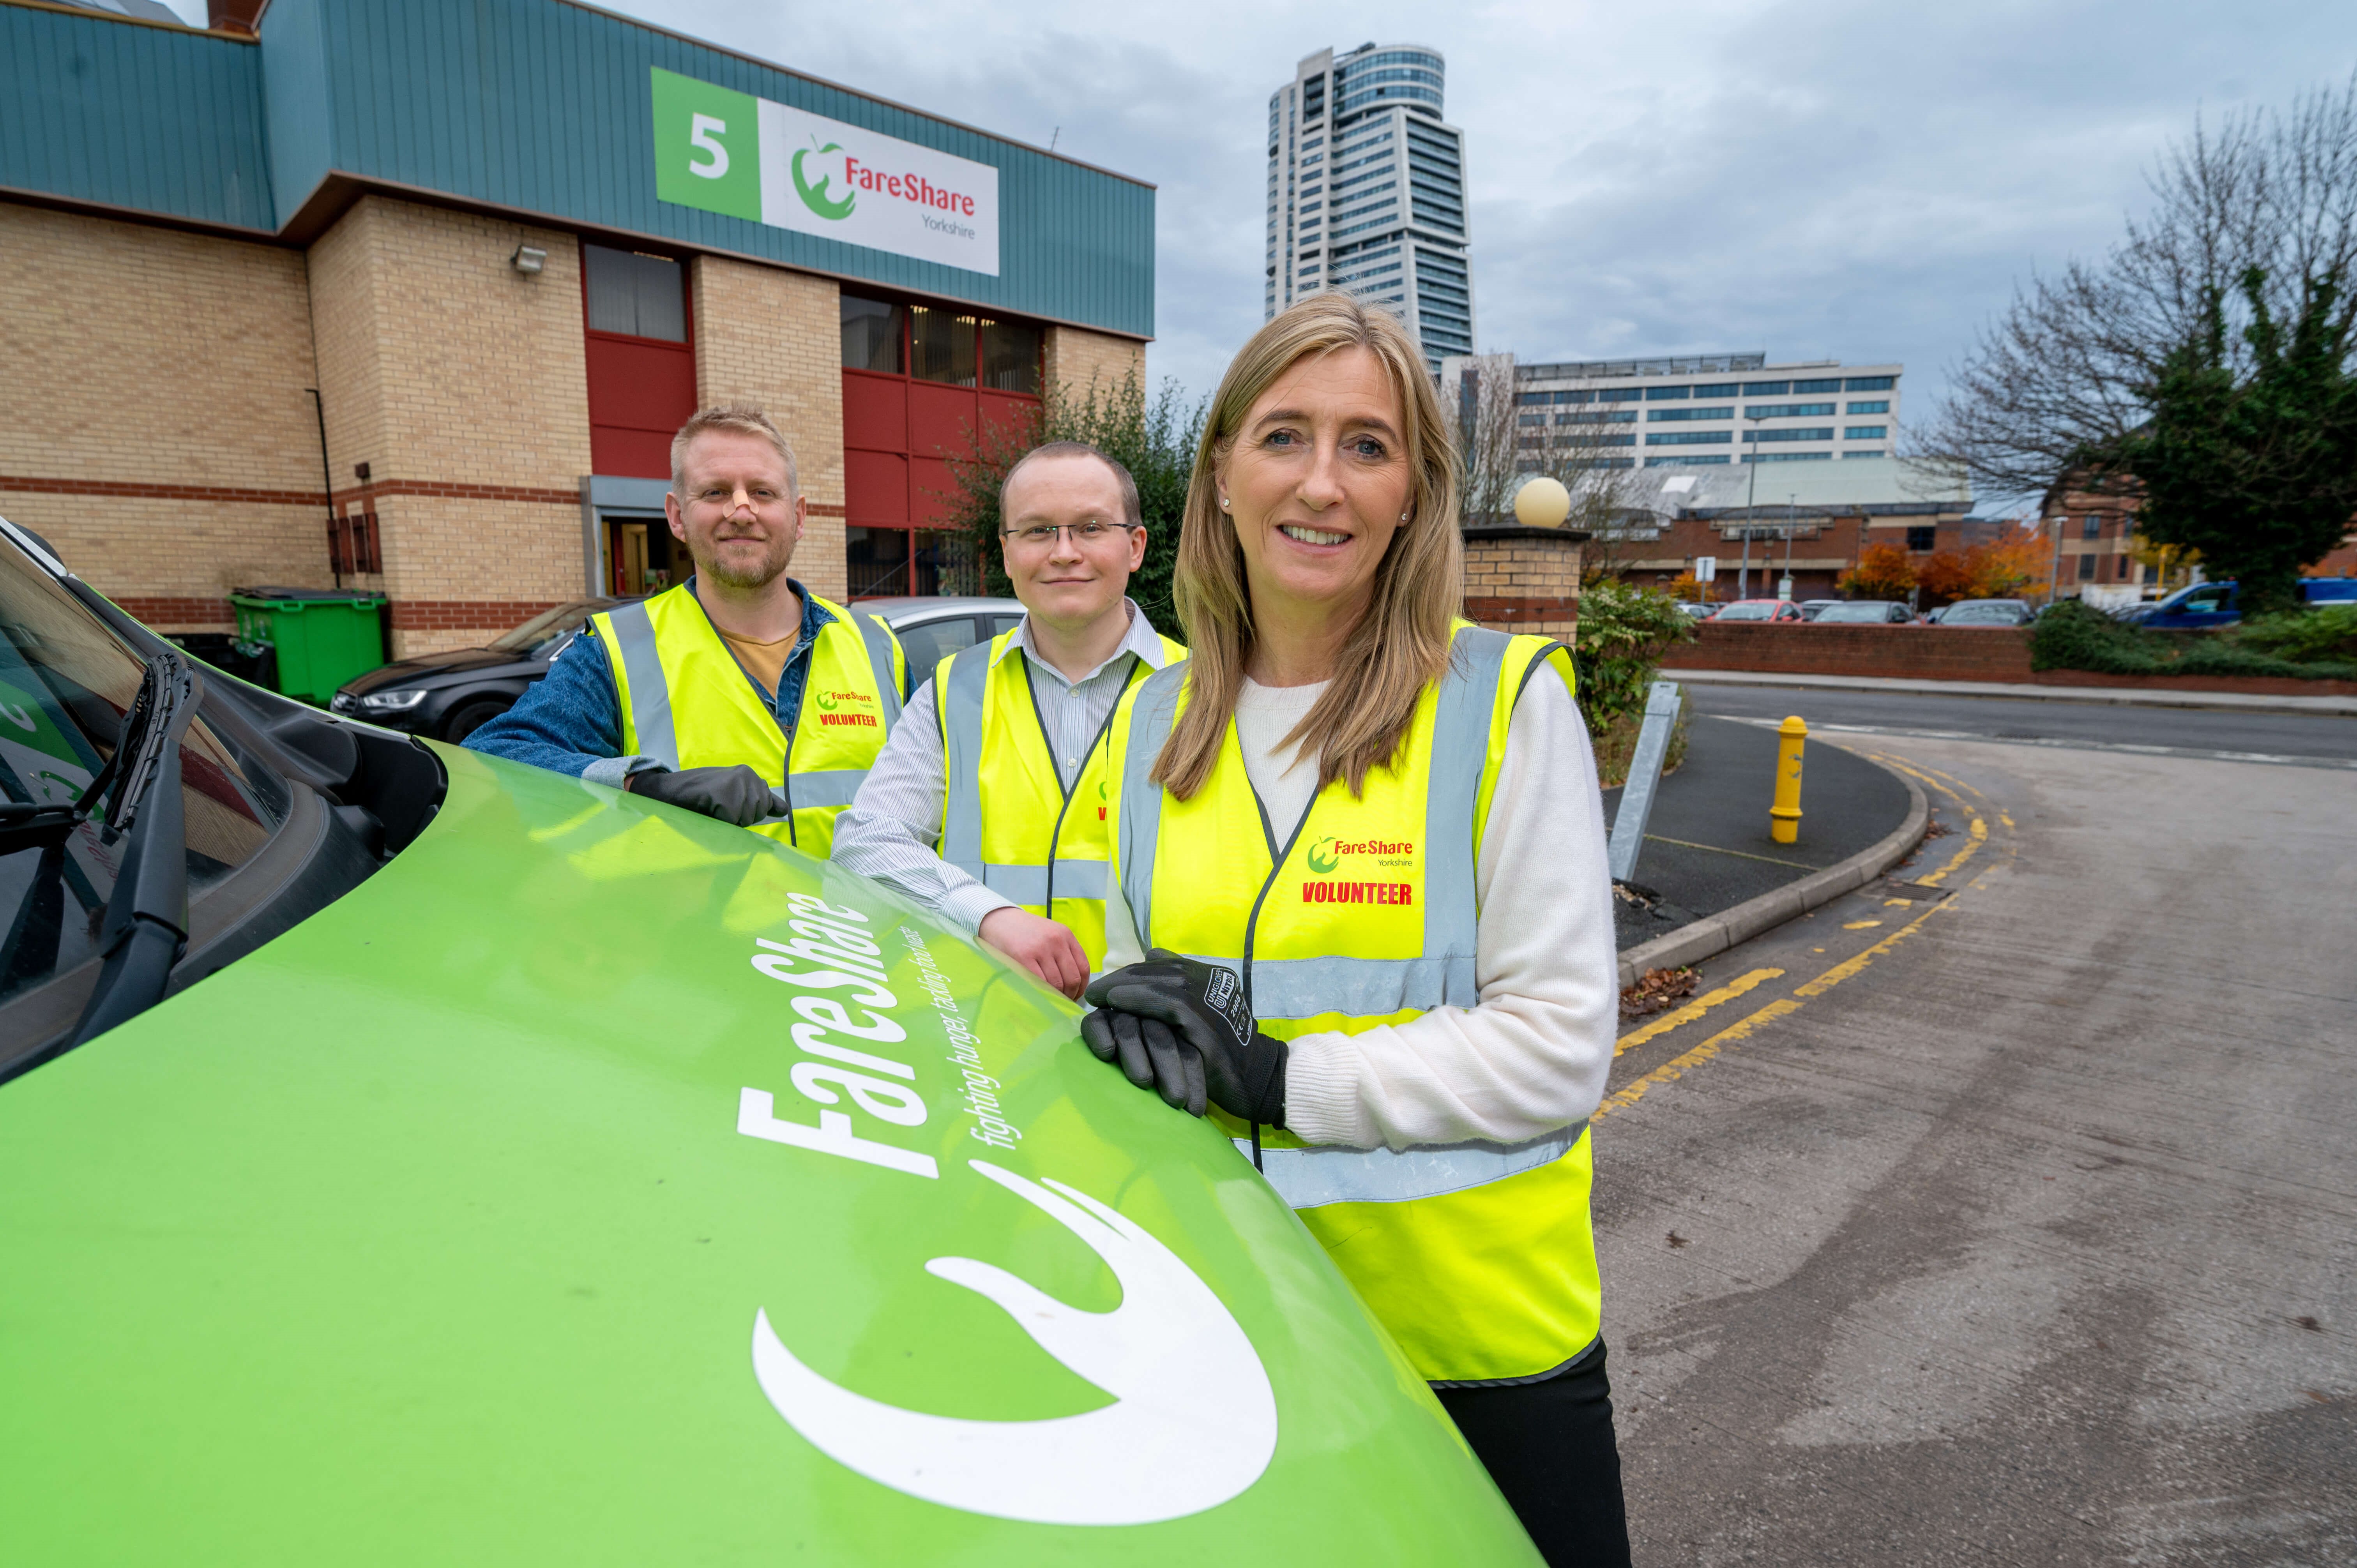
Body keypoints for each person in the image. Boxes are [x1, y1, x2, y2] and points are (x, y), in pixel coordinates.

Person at [1078, 297, 1627, 1564]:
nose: (1320, 482)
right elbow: (1132, 980)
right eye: (1283, 436)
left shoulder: (1500, 702)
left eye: (1366, 446)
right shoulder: (1153, 715)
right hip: (1234, 1336)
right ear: (1219, 472)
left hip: (1475, 1353)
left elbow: (1556, 1047)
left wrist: (1276, 1076)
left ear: (1410, 494)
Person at [466, 404, 905, 855]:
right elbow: (491, 759)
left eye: (763, 492)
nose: (741, 510)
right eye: (715, 492)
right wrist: (641, 785)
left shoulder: (879, 647)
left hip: (860, 926)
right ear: (677, 517)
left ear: (799, 516)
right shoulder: (622, 648)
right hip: (698, 925)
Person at [832, 442, 1182, 999]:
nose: (1065, 552)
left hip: (1146, 1043)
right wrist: (988, 915)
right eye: (1038, 531)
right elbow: (867, 841)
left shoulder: (1203, 694)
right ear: (1005, 553)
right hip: (979, 1027)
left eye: (1091, 527)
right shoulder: (955, 689)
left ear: (1135, 546)